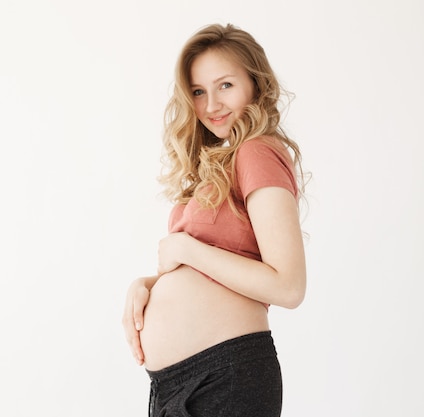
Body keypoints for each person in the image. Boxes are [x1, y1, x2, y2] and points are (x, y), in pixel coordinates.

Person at [122, 22, 308, 417]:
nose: (211, 105)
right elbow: (216, 269)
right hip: (177, 383)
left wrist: (186, 248)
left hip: (225, 376)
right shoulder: (217, 166)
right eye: (198, 91)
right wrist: (147, 285)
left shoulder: (256, 152)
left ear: (256, 84)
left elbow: (288, 286)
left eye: (225, 85)